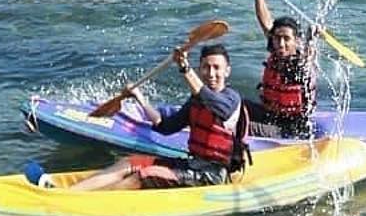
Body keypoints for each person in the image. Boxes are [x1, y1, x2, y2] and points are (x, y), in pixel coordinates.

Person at [29, 41, 250, 191]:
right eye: (206, 68)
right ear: (201, 70)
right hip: (192, 165)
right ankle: (67, 193)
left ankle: (87, 203)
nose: (211, 73)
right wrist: (140, 98)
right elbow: (165, 126)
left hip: (211, 176)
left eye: (216, 68)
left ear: (227, 71)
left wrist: (184, 67)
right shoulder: (194, 102)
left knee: (144, 176)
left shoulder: (231, 99)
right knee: (129, 162)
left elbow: (210, 100)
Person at [244, 0, 318, 140]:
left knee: (240, 123)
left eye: (286, 39)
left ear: (296, 41)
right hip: (270, 115)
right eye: (277, 38)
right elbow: (265, 21)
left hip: (290, 129)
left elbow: (309, 55)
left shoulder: (301, 63)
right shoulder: (276, 50)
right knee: (231, 103)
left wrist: (312, 36)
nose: (281, 43)